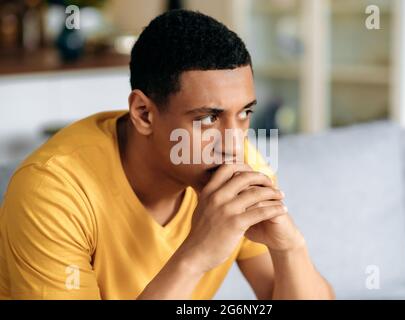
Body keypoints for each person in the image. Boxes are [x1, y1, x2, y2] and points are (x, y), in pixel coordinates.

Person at [0, 10, 334, 300]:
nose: (234, 144)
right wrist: (195, 256)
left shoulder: (238, 166)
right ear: (144, 113)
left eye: (244, 113)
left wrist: (289, 248)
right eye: (207, 118)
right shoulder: (53, 192)